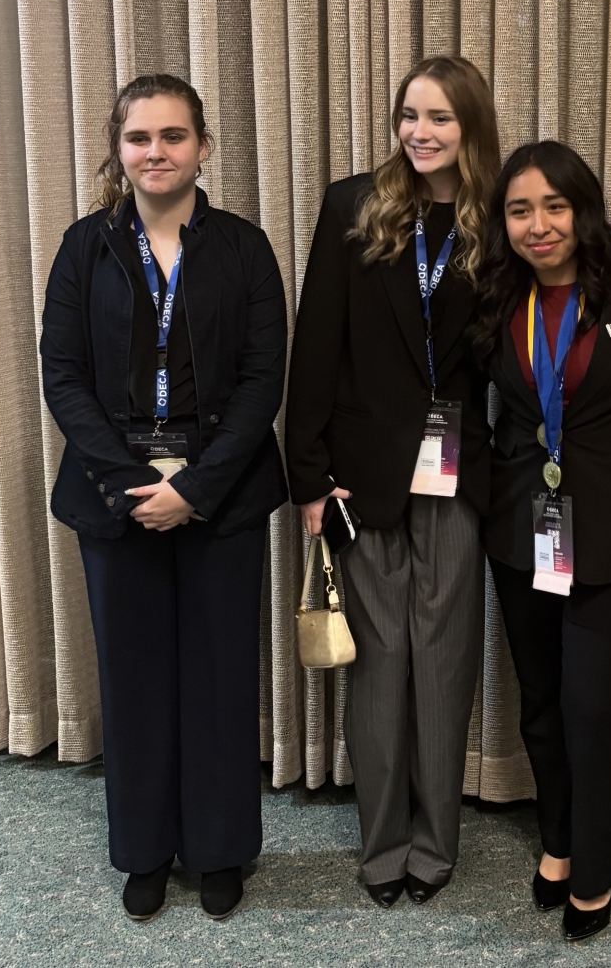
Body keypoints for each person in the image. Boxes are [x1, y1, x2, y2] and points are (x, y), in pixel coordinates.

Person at [41, 75, 287, 922]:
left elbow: (262, 379)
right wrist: (127, 482)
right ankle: (143, 850)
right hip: (114, 494)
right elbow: (63, 375)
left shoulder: (244, 248)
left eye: (173, 136)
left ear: (202, 147)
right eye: (140, 137)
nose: (156, 152)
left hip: (222, 491)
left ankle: (219, 849)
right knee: (135, 680)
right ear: (119, 150)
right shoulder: (83, 248)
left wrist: (195, 487)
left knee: (220, 676)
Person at [284, 56, 500, 907]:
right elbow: (316, 344)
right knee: (377, 668)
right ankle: (381, 846)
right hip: (360, 475)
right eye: (410, 114)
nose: (420, 132)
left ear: (469, 126)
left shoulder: (497, 218)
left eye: (440, 117)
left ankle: (434, 844)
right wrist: (308, 476)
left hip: (457, 476)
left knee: (443, 667)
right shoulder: (354, 205)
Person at [469, 141, 611, 941]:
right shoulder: (495, 297)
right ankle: (556, 837)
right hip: (523, 529)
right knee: (543, 701)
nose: (538, 225)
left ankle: (595, 865)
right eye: (520, 210)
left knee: (594, 704)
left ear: (581, 209)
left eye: (554, 206)